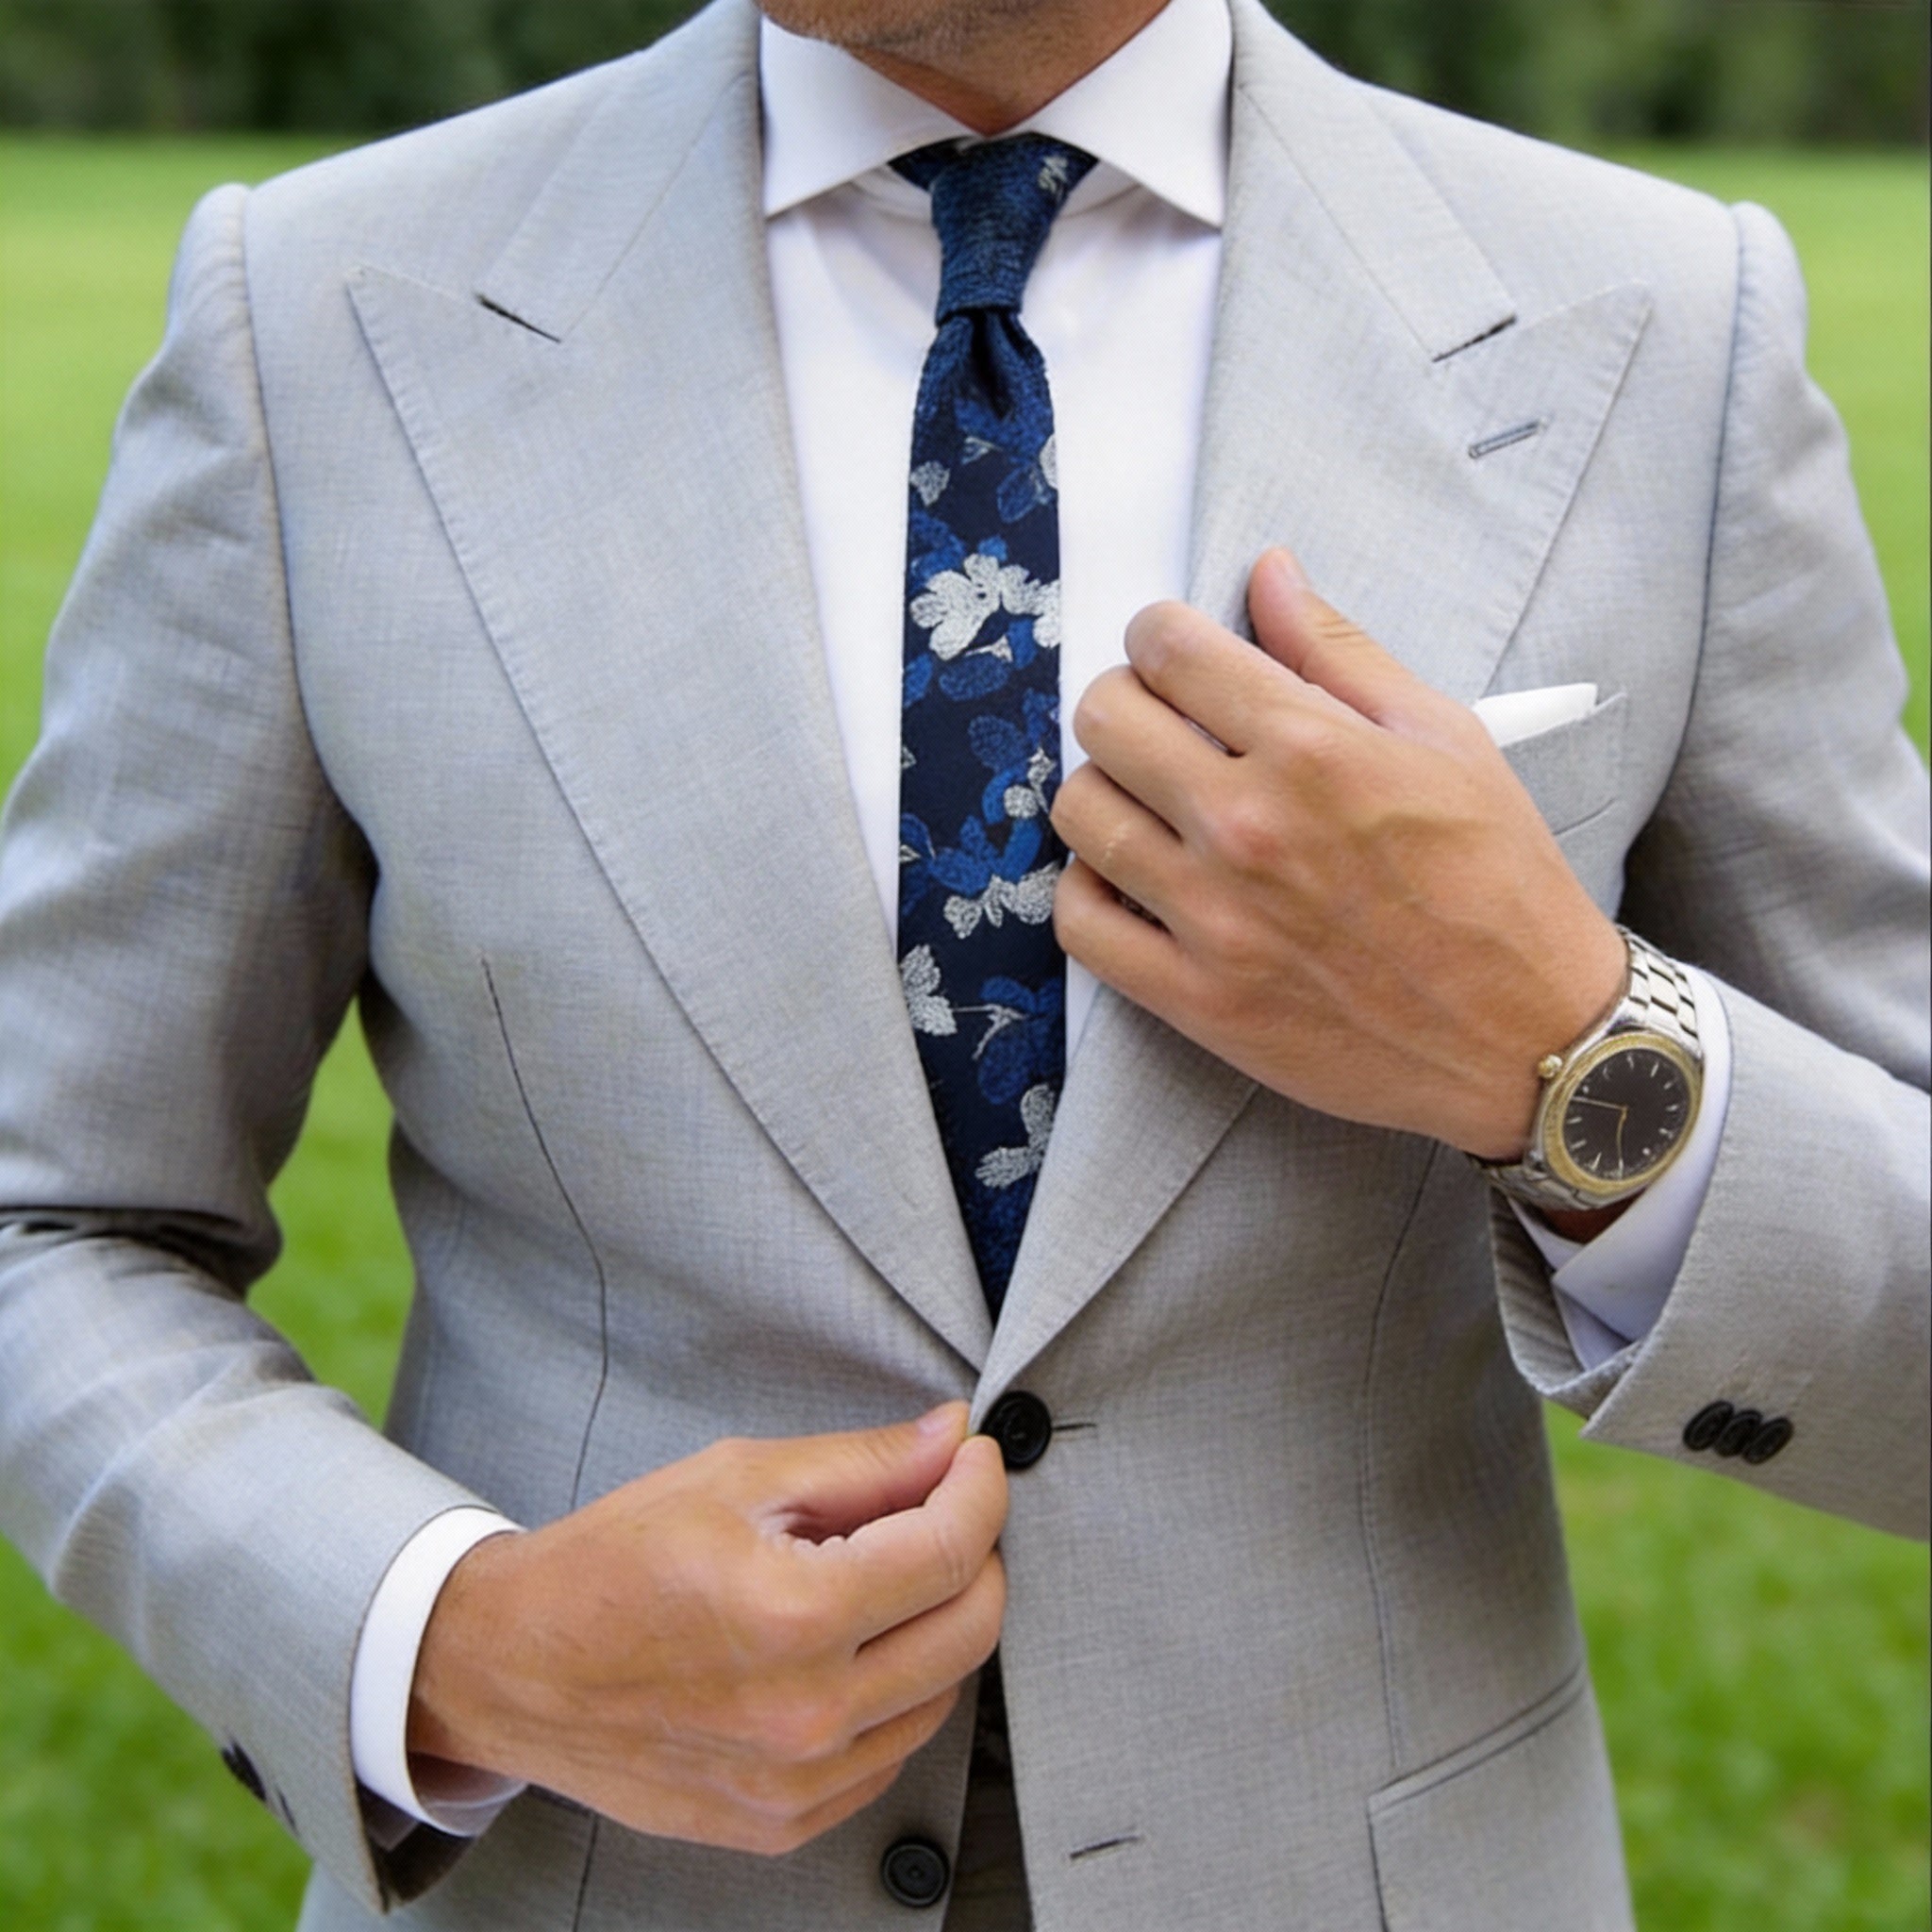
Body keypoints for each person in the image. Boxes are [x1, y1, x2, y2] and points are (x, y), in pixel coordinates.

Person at [0, 0, 1924, 1924]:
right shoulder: (317, 312)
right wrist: (451, 1637)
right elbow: (50, 1215)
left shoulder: (1664, 326)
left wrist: (1566, 1055)